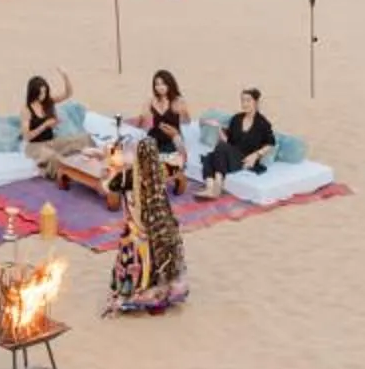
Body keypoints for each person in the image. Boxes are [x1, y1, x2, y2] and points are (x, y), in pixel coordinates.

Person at [106, 142, 189, 314]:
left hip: (137, 231)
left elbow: (111, 186)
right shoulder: (162, 170)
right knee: (160, 261)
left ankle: (134, 297)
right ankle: (159, 301)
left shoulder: (127, 177)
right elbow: (180, 163)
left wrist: (118, 166)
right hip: (160, 228)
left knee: (134, 262)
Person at [198, 88, 278, 198]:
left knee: (217, 151)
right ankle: (210, 187)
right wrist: (219, 128)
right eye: (242, 100)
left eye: (248, 100)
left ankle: (217, 185)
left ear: (256, 102)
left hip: (245, 159)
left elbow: (271, 143)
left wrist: (255, 155)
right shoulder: (237, 118)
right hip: (231, 154)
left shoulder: (262, 123)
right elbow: (229, 141)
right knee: (210, 156)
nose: (244, 104)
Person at [23, 72, 91, 173]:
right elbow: (27, 136)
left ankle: (93, 163)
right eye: (40, 93)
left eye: (45, 92)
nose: (43, 95)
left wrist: (65, 76)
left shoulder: (48, 102)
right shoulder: (26, 109)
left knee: (84, 138)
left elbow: (68, 94)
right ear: (33, 93)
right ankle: (62, 174)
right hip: (36, 146)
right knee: (53, 158)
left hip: (51, 142)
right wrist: (45, 125)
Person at [141, 69, 187, 162]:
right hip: (155, 136)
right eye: (157, 84)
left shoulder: (178, 101)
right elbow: (145, 120)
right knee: (144, 153)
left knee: (165, 159)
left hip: (171, 137)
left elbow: (186, 123)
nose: (160, 87)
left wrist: (181, 111)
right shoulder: (152, 100)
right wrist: (148, 106)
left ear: (170, 84)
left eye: (163, 84)